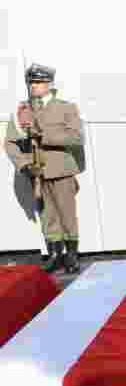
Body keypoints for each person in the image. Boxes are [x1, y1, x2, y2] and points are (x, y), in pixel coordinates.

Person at [4, 64, 84, 273]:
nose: (34, 86)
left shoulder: (66, 108)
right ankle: (55, 254)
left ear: (49, 84)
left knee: (67, 214)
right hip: (36, 172)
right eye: (31, 82)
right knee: (48, 216)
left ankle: (71, 256)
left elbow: (77, 138)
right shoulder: (23, 110)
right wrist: (23, 165)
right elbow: (10, 142)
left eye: (38, 82)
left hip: (61, 170)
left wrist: (44, 136)